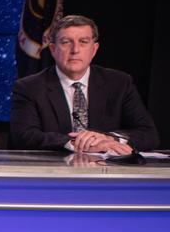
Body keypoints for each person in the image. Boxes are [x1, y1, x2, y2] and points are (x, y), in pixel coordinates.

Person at [10, 14, 158, 153]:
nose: (75, 50)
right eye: (66, 42)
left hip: (108, 174)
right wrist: (79, 142)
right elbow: (24, 136)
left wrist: (110, 139)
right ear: (53, 49)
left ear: (94, 49)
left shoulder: (119, 83)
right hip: (55, 173)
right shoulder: (29, 87)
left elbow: (149, 134)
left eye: (83, 42)